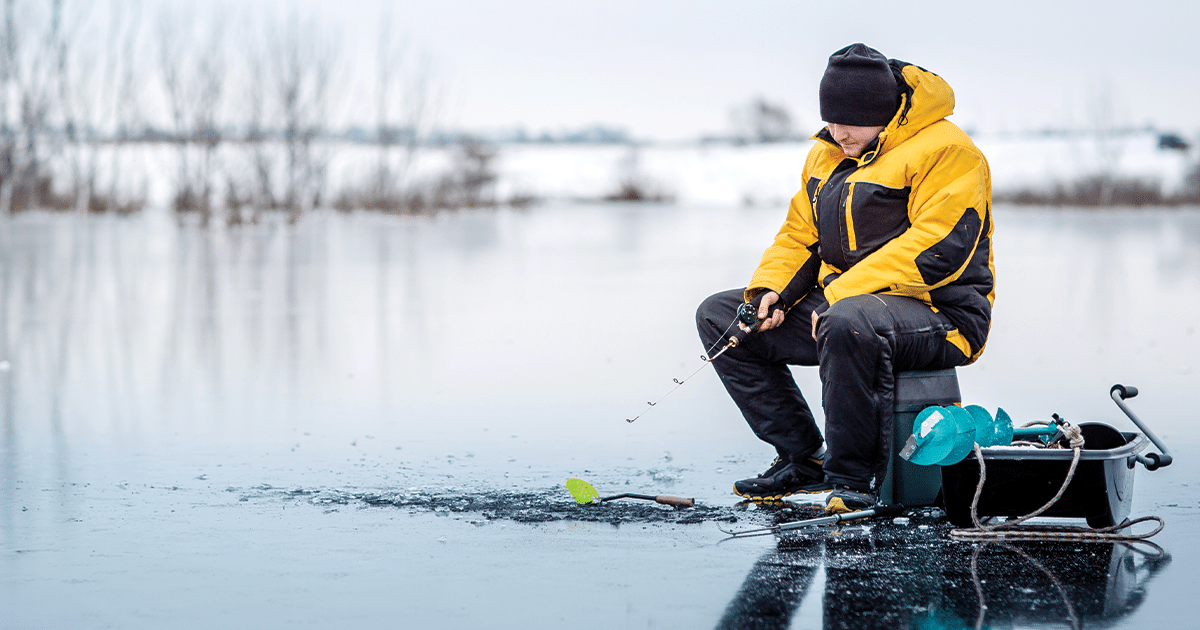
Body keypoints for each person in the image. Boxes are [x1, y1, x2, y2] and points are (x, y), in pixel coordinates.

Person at [696, 43, 994, 514]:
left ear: (883, 113)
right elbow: (801, 236)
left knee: (849, 319)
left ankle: (851, 477)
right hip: (846, 309)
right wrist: (769, 292)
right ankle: (802, 457)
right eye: (830, 120)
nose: (837, 132)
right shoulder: (827, 153)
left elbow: (939, 248)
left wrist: (838, 295)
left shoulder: (948, 151)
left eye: (848, 122)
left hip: (943, 315)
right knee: (722, 317)